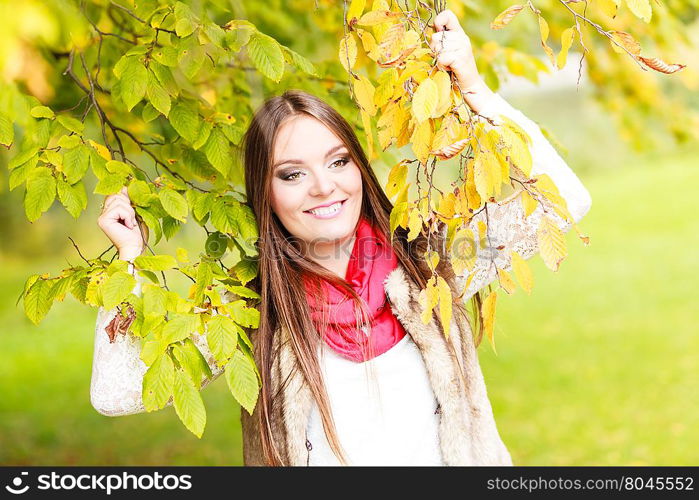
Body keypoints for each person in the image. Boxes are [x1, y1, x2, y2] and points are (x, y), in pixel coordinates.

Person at [92, 10, 592, 466]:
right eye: (292, 174)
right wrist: (129, 264)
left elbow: (563, 201)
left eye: (338, 162)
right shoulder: (251, 308)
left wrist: (477, 93)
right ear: (264, 195)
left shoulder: (432, 262)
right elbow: (120, 392)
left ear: (360, 168)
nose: (323, 186)